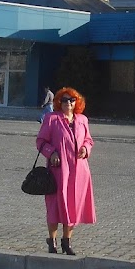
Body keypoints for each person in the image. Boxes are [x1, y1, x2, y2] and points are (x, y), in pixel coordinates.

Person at [36, 86, 95, 255]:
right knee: (55, 206)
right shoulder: (51, 119)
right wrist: (51, 152)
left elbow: (89, 140)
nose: (68, 103)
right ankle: (52, 241)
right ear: (58, 102)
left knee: (73, 206)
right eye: (64, 100)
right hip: (58, 171)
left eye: (71, 100)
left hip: (79, 171)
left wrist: (85, 148)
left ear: (77, 102)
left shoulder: (82, 119)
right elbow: (40, 141)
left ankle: (66, 242)